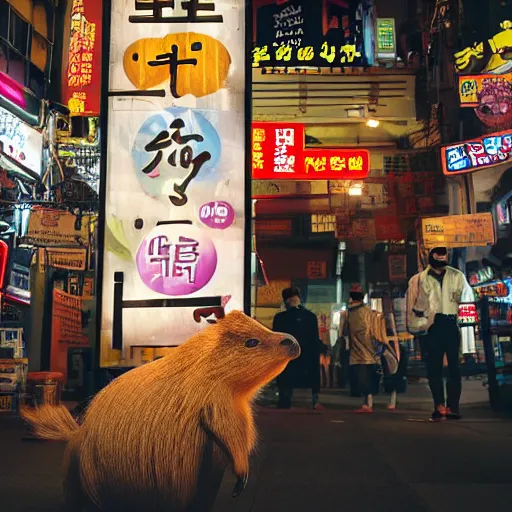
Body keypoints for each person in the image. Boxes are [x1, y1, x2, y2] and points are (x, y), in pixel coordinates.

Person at [407, 247, 474, 421]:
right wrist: (417, 328)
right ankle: (439, 405)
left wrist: (468, 338)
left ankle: (453, 407)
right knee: (434, 369)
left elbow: (467, 303)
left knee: (454, 368)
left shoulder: (457, 276)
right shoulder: (418, 280)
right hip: (431, 327)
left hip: (452, 324)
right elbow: (412, 308)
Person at [342, 283, 394, 413]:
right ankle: (368, 404)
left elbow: (344, 332)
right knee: (371, 379)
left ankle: (367, 405)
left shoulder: (348, 314)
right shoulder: (371, 313)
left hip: (358, 354)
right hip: (373, 353)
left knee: (363, 380)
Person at [273, 286, 324, 410]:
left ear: (286, 301)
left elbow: (277, 339)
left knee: (286, 379)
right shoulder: (310, 316)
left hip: (287, 356)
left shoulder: (280, 318)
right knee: (310, 378)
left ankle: (285, 400)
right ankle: (314, 400)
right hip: (307, 357)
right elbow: (314, 339)